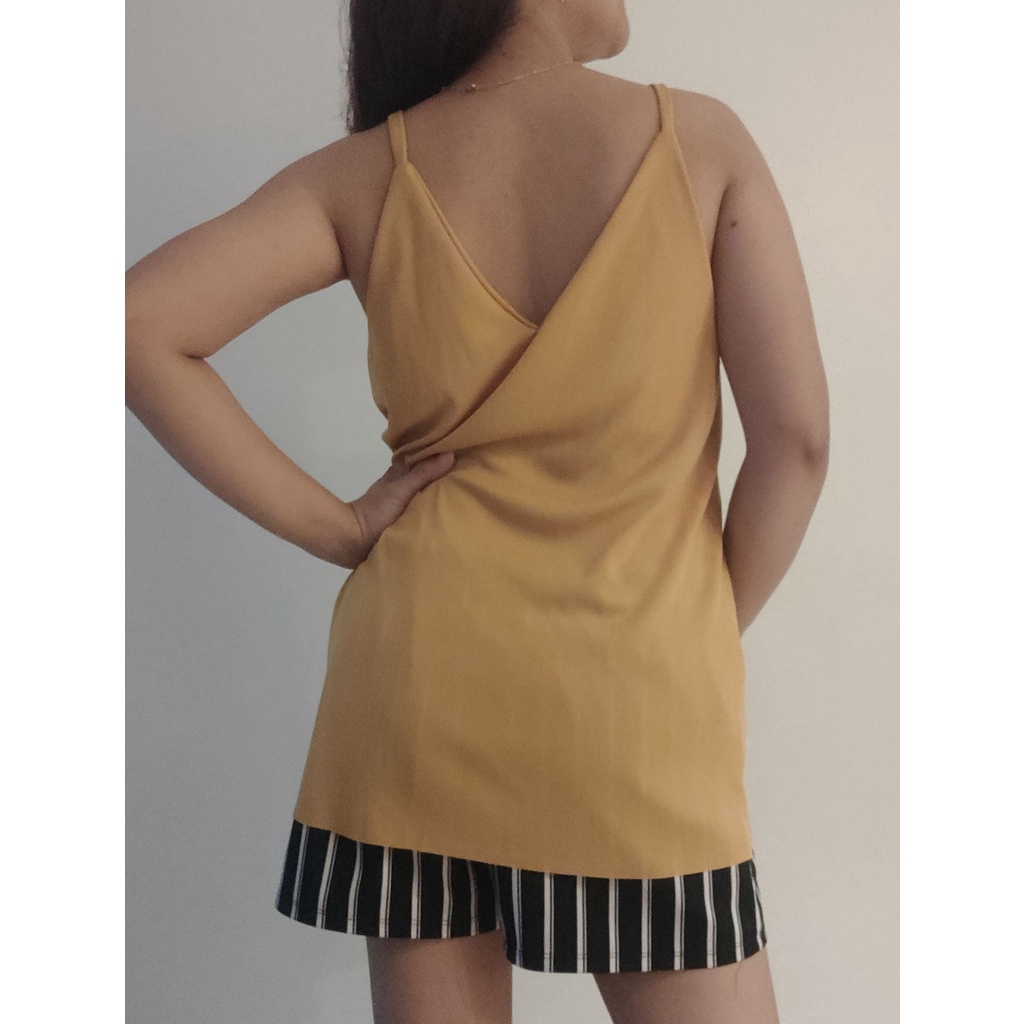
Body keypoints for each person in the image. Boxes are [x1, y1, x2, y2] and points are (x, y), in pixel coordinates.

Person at [126, 0, 829, 1021]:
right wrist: (698, 631)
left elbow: (138, 326)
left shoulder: (369, 172)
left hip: (418, 692)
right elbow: (797, 441)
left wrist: (344, 529)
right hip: (633, 705)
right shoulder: (700, 141)